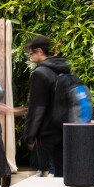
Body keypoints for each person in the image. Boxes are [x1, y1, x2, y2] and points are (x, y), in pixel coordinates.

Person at [23, 35, 74, 177]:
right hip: (65, 127)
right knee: (61, 172)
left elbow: (38, 107)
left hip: (47, 131)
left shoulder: (40, 73)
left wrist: (30, 134)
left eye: (31, 53)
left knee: (41, 175)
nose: (30, 57)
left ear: (39, 51)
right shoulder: (63, 69)